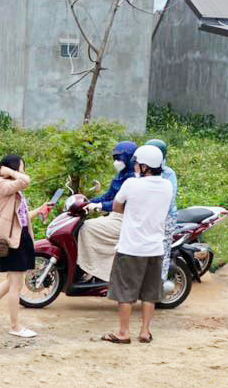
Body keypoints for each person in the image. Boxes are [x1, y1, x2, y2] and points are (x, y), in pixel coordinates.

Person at [102, 144, 172, 345]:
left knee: (125, 292)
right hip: (155, 248)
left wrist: (131, 211)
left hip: (131, 247)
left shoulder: (132, 184)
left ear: (145, 166)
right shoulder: (167, 185)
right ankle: (145, 332)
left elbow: (116, 206)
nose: (136, 167)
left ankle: (123, 333)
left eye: (138, 164)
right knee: (150, 293)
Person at [0, 155, 43, 339]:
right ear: (10, 168)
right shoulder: (3, 185)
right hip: (13, 241)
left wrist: (40, 210)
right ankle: (15, 326)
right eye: (21, 166)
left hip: (20, 238)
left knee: (11, 282)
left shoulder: (12, 188)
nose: (23, 171)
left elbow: (20, 217)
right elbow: (26, 180)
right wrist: (8, 171)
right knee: (16, 285)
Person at [76, 140, 137, 283]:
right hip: (114, 216)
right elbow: (109, 195)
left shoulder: (133, 179)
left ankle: (91, 269)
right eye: (115, 158)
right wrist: (89, 201)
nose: (116, 162)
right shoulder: (121, 175)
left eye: (119, 158)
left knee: (87, 228)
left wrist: (100, 206)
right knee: (85, 225)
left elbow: (120, 203)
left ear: (129, 158)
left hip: (124, 218)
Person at [144, 138, 179, 282]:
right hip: (147, 216)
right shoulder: (142, 170)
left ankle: (159, 285)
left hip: (165, 217)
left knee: (162, 252)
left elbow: (169, 198)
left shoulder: (168, 173)